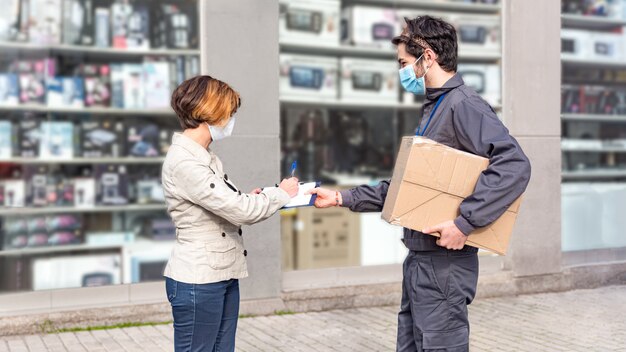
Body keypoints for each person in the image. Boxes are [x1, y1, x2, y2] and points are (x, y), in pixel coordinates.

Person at [308, 15, 531, 352]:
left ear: (427, 57)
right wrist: (341, 197)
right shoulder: (436, 107)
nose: (401, 72)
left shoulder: (463, 106)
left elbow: (514, 165)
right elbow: (406, 187)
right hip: (421, 260)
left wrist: (465, 222)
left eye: (403, 63)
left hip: (444, 264)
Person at [161, 75, 299, 351]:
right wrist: (282, 193)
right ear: (210, 111)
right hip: (198, 281)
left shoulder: (204, 156)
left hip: (220, 275)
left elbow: (226, 202)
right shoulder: (186, 162)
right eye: (229, 112)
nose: (231, 119)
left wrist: (254, 197)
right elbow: (240, 211)